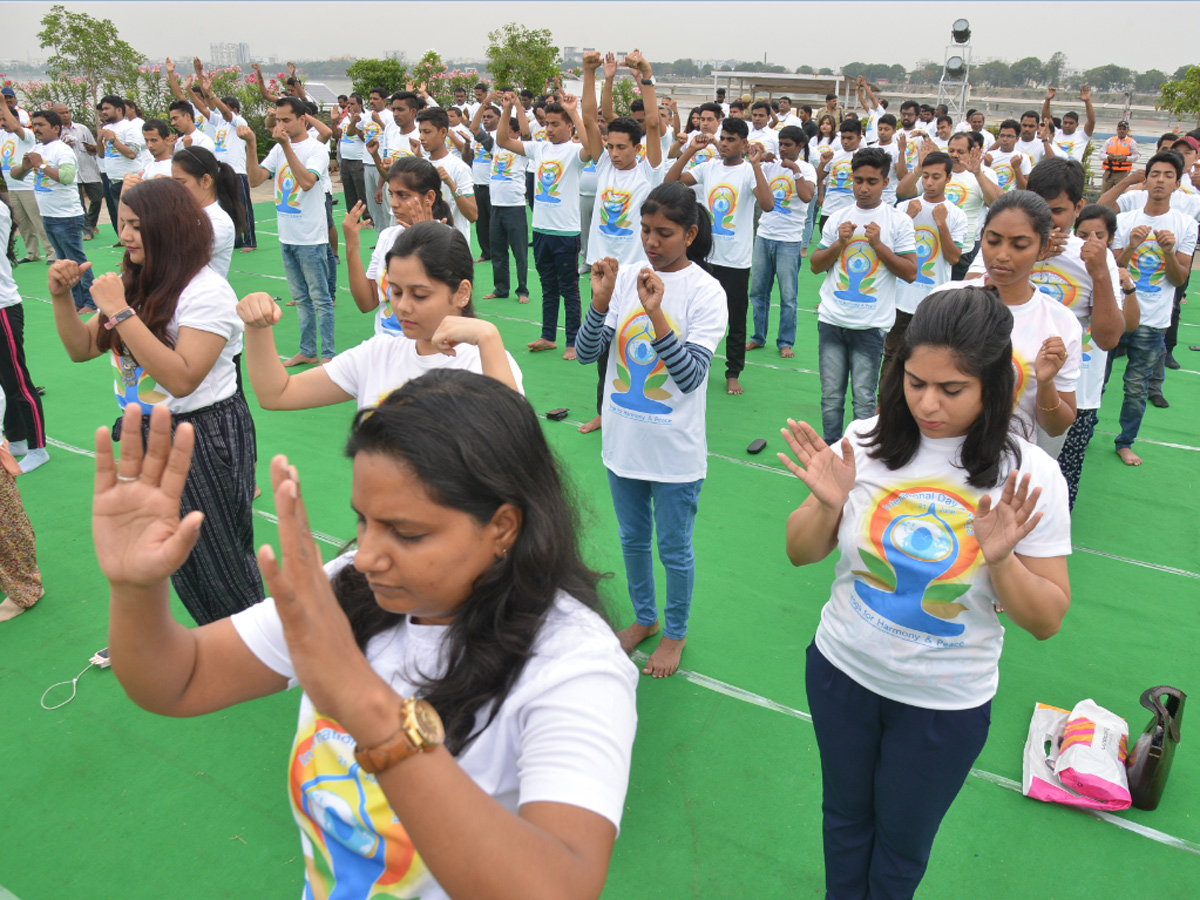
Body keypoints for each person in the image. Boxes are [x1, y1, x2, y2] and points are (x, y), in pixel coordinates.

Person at [94, 364, 637, 900]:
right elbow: (180, 680)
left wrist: (369, 708)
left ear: (502, 527)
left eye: (406, 532)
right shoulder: (348, 591)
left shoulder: (574, 665)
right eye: (362, 520)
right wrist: (135, 589)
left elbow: (561, 885)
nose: (368, 556)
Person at [782, 287, 1071, 900]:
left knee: (901, 845)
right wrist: (828, 506)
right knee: (844, 821)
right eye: (915, 382)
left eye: (951, 389)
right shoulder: (865, 440)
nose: (927, 404)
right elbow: (801, 551)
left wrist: (1004, 561)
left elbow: (1046, 618)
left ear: (993, 384)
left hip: (942, 705)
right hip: (842, 675)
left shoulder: (1030, 474)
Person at [48, 177, 262, 625]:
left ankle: (250, 644)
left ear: (169, 228)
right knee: (172, 550)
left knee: (219, 550)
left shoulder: (206, 292)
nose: (124, 236)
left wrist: (120, 311)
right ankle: (212, 634)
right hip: (143, 430)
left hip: (200, 433)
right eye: (121, 223)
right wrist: (61, 298)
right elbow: (81, 348)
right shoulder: (135, 279)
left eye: (136, 226)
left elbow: (183, 378)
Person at [575, 181, 727, 677]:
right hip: (624, 443)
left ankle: (676, 633)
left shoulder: (707, 292)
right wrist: (599, 300)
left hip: (675, 452)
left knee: (674, 549)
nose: (651, 242)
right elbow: (589, 352)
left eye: (664, 233)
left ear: (690, 233)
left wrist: (657, 313)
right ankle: (645, 618)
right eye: (645, 230)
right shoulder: (626, 279)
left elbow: (688, 377)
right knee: (633, 540)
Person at [239, 218, 522, 416]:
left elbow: (514, 444)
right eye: (396, 292)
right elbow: (277, 393)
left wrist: (488, 337)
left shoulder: (487, 361)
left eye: (420, 295)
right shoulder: (378, 353)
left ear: (461, 293)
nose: (403, 307)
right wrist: (256, 327)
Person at [934, 192, 1082, 444]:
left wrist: (1045, 384)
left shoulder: (1060, 323)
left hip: (1007, 468)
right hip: (938, 457)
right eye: (993, 241)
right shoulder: (943, 300)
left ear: (1043, 247)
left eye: (1019, 245)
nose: (1002, 255)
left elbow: (1056, 427)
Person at [810, 147, 917, 443]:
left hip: (870, 326)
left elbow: (910, 271)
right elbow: (816, 266)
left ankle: (861, 459)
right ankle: (832, 454)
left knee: (864, 400)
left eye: (872, 181)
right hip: (832, 320)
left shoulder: (898, 221)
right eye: (858, 180)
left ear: (885, 182)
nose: (864, 188)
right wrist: (839, 244)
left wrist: (879, 246)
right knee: (831, 397)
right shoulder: (838, 218)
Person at [666, 116, 774, 395]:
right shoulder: (708, 167)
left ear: (744, 143)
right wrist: (690, 151)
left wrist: (756, 165)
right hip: (704, 256)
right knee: (690, 313)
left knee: (736, 319)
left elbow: (768, 204)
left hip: (735, 261)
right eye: (722, 138)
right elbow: (671, 183)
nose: (724, 144)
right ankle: (687, 365)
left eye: (730, 140)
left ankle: (732, 372)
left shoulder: (749, 171)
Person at [1109, 151, 1196, 465]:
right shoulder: (1124, 221)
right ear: (1145, 180)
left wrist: (1169, 252)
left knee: (1136, 386)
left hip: (1153, 320)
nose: (1160, 180)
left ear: (1176, 183)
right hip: (1116, 315)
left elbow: (1178, 278)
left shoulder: (1185, 225)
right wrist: (1131, 246)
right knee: (1098, 379)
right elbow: (1112, 270)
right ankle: (1085, 430)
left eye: (1168, 175)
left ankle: (1125, 442)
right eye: (1155, 174)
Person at [240, 97, 334, 365]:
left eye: (286, 120)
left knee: (321, 300)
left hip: (311, 238)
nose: (279, 125)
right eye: (277, 120)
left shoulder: (317, 149)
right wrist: (251, 144)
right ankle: (307, 351)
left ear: (303, 120)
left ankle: (327, 355)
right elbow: (256, 179)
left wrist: (285, 146)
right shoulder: (279, 149)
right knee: (301, 299)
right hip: (287, 235)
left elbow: (306, 182)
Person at [497, 92, 588, 360]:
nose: (549, 128)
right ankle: (549, 336)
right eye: (547, 123)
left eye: (556, 124)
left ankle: (573, 341)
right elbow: (503, 140)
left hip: (566, 233)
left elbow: (593, 150)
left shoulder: (574, 152)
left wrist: (574, 111)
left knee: (569, 289)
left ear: (569, 125)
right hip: (541, 230)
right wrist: (507, 109)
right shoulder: (539, 148)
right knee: (548, 287)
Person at [1059, 204, 1139, 507]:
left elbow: (1124, 328)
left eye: (1099, 236)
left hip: (1084, 385)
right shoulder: (1053, 259)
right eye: (1083, 235)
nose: (1090, 242)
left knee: (1066, 468)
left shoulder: (1109, 269)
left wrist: (1117, 281)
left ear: (1111, 239)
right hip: (1045, 387)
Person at [884, 150, 968, 376]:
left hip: (934, 302)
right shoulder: (905, 208)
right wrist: (907, 219)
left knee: (927, 362)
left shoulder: (956, 215)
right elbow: (886, 249)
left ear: (948, 178)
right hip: (900, 298)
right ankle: (885, 406)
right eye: (926, 176)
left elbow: (953, 257)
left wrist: (941, 224)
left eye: (936, 177)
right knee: (891, 357)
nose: (929, 182)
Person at [747, 125, 816, 359]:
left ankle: (785, 341)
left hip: (789, 241)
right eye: (781, 143)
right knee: (757, 292)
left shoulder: (806, 169)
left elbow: (807, 196)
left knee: (788, 296)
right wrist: (757, 159)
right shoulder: (769, 165)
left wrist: (795, 170)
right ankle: (758, 336)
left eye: (788, 145)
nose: (783, 149)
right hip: (764, 236)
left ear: (800, 146)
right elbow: (748, 175)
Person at [12, 110, 91, 312]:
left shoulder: (62, 150)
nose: (36, 129)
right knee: (64, 261)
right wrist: (25, 166)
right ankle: (77, 301)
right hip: (49, 215)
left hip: (66, 216)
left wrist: (41, 164)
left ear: (56, 128)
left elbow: (66, 177)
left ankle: (90, 302)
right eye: (34, 125)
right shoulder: (37, 148)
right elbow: (17, 175)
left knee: (76, 261)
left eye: (41, 125)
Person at [0, 200, 49, 474]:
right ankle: (16, 439)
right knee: (4, 379)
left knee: (18, 380)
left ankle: (37, 448)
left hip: (3, 308)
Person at [195, 75, 256, 252]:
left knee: (243, 207)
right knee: (227, 207)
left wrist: (210, 92)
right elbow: (202, 108)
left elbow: (226, 113)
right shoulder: (219, 122)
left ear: (234, 110)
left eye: (226, 109)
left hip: (237, 171)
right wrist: (194, 90)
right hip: (221, 171)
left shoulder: (238, 121)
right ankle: (235, 239)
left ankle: (250, 240)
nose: (221, 112)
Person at [172, 146, 245, 280]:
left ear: (206, 181)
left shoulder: (219, 222)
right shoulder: (182, 213)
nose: (175, 189)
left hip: (204, 298)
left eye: (181, 182)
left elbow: (178, 255)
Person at [0, 97, 55, 264]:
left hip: (27, 185)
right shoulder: (2, 135)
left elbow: (16, 127)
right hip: (12, 186)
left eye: (5, 119)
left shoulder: (27, 135)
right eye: (1, 119)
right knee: (22, 223)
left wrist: (3, 103)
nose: (3, 122)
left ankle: (52, 253)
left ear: (15, 119)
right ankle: (32, 253)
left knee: (37, 221)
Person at [415, 107, 477, 247]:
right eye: (420, 132)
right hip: (426, 243)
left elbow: (473, 215)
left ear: (443, 132)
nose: (421, 137)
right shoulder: (421, 164)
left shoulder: (459, 168)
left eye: (427, 132)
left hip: (453, 247)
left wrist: (451, 184)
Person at [53, 103, 103, 241]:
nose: (65, 115)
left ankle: (91, 223)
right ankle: (87, 230)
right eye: (61, 113)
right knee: (80, 203)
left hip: (89, 170)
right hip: (72, 173)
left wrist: (91, 148)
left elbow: (96, 147)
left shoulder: (82, 129)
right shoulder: (55, 132)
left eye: (67, 112)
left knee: (97, 198)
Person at [814, 119, 861, 234]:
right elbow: (817, 180)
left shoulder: (864, 156)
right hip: (829, 211)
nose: (845, 142)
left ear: (859, 139)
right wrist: (822, 163)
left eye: (850, 138)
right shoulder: (833, 156)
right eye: (843, 138)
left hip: (852, 212)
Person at [1041, 86, 1096, 163]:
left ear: (1077, 125)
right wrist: (1047, 100)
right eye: (1065, 122)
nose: (1067, 125)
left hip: (1073, 171)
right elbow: (1046, 118)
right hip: (1055, 169)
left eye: (1071, 123)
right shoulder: (1055, 133)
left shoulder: (1082, 136)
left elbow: (1091, 121)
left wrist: (1087, 101)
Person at [985, 120, 1031, 193]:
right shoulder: (989, 156)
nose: (1005, 139)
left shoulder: (1022, 158)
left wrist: (1017, 168)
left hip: (1012, 200)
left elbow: (1025, 189)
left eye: (1009, 136)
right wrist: (986, 166)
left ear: (1017, 139)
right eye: (1002, 136)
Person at [1100, 120, 1139, 194]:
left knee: (1122, 194)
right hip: (1109, 172)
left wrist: (1126, 159)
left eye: (1124, 129)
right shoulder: (1109, 140)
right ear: (1117, 129)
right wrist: (1108, 157)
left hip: (1122, 174)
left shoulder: (1131, 142)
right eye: (1120, 129)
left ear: (1128, 130)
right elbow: (1100, 155)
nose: (1122, 131)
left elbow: (1136, 156)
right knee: (1105, 194)